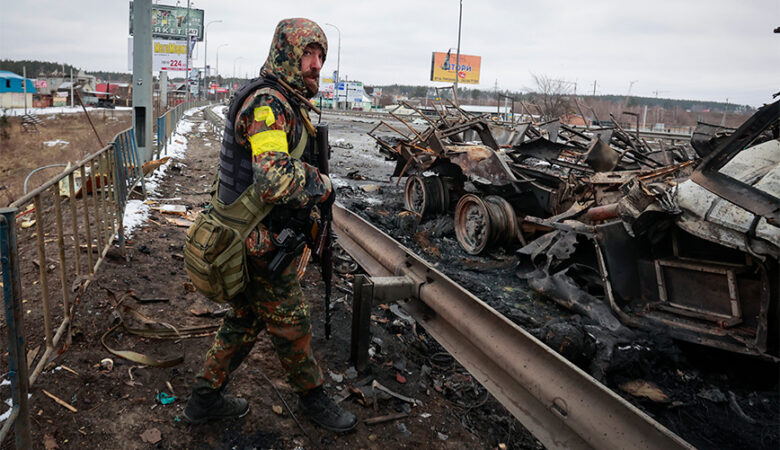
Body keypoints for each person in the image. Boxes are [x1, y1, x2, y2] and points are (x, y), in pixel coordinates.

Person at [183, 17, 357, 433]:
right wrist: (324, 184)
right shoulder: (268, 104)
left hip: (257, 235)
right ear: (286, 54)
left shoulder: (287, 100)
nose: (316, 64)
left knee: (245, 318)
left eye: (320, 56)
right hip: (255, 240)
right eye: (307, 55)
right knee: (292, 322)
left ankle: (202, 401)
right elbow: (274, 177)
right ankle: (315, 400)